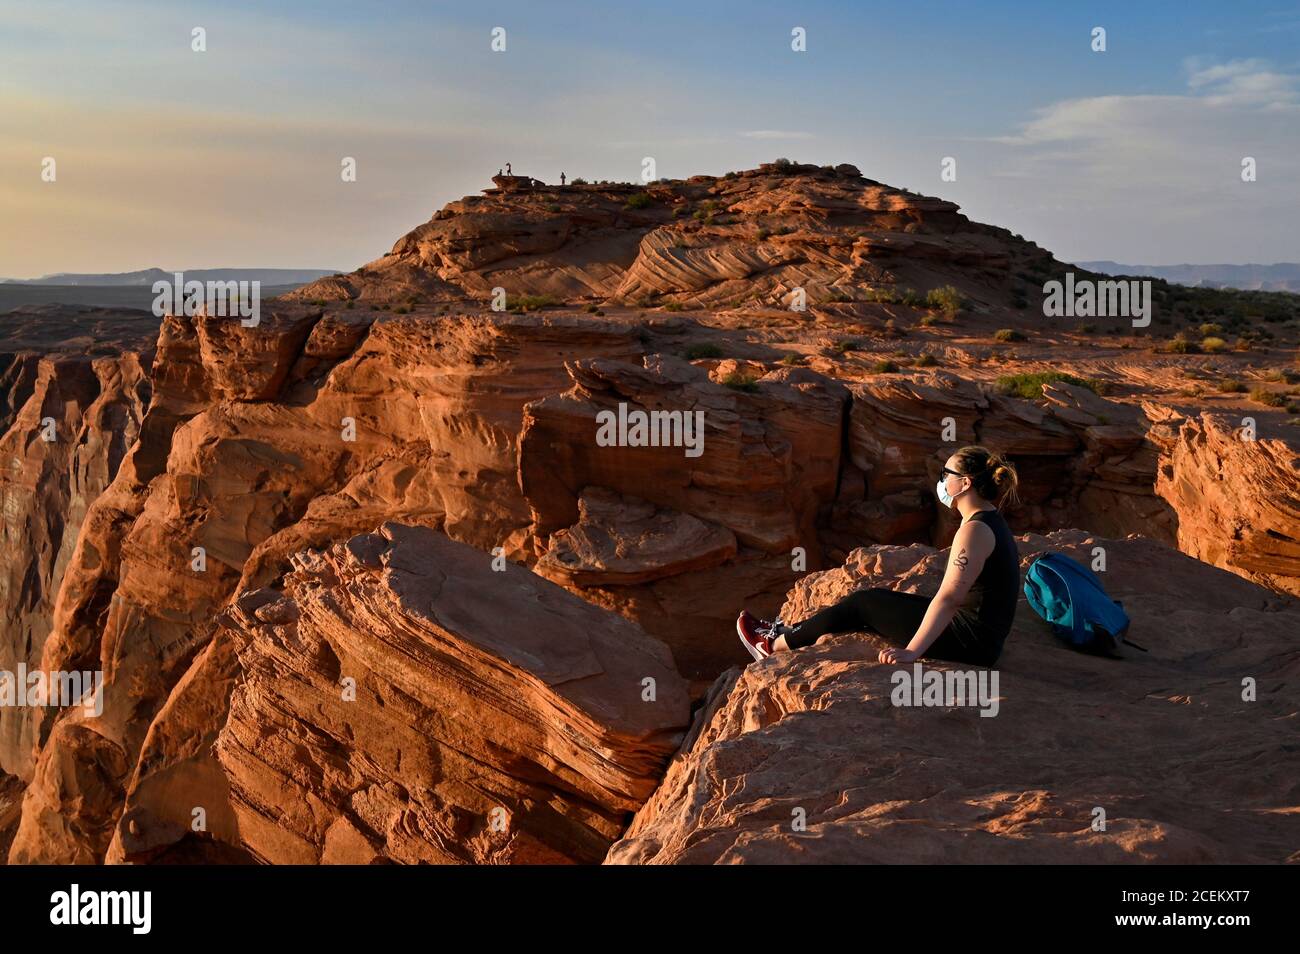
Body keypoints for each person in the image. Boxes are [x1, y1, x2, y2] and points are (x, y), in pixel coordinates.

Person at [737, 446, 1021, 667]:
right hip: (978, 635)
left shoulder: (974, 530)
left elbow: (949, 599)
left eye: (946, 475)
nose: (942, 480)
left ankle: (772, 646)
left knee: (864, 604)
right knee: (875, 600)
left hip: (971, 643)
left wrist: (912, 652)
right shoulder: (987, 519)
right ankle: (791, 631)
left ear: (966, 483)